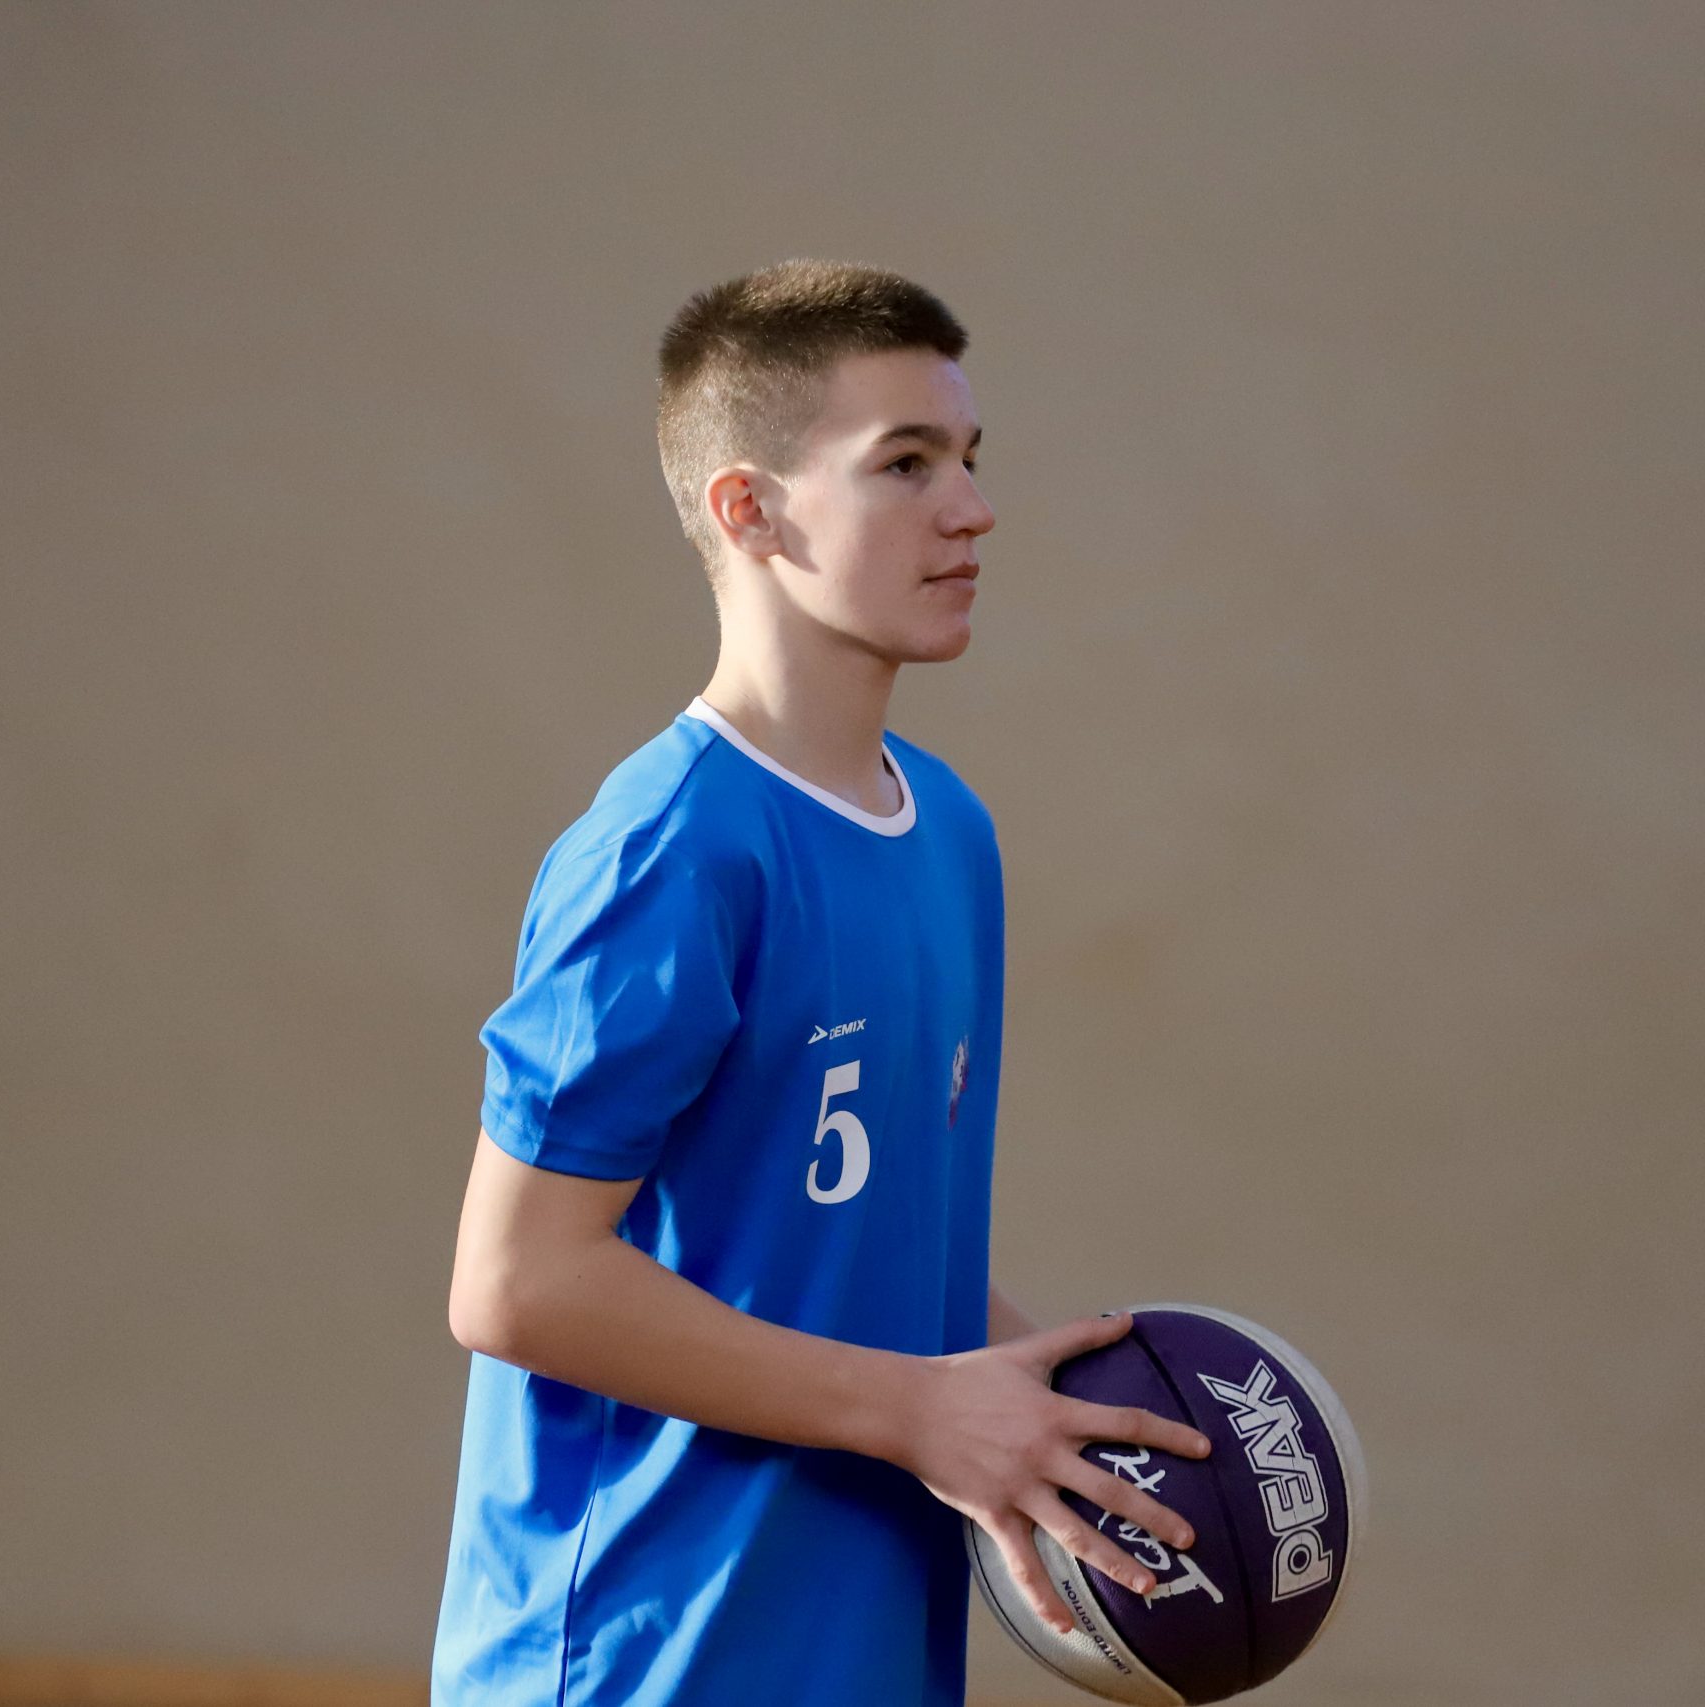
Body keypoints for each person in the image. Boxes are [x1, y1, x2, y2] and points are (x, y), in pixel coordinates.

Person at [432, 259, 1211, 1706]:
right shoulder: (672, 851)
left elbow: (842, 1241)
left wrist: (1061, 1419)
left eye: (970, 458)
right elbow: (517, 1283)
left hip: (865, 1657)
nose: (971, 507)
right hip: (643, 1663)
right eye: (905, 464)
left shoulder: (949, 832)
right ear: (751, 510)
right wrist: (919, 1411)